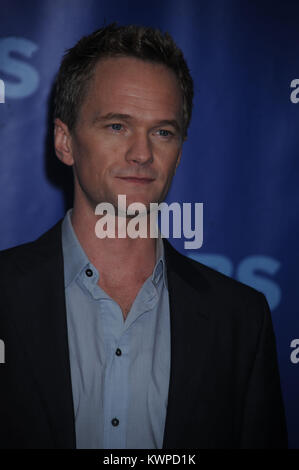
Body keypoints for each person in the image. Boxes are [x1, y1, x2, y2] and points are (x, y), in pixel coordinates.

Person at [0, 23, 288, 449]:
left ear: (179, 151)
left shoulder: (241, 320)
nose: (142, 153)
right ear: (65, 141)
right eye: (117, 126)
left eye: (162, 132)